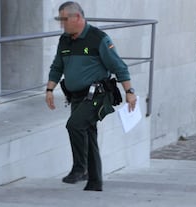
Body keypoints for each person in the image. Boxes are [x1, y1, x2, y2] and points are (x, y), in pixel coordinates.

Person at [45, 1, 137, 191]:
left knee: (74, 125)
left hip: (98, 95)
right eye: (60, 20)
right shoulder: (65, 40)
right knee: (88, 133)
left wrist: (129, 92)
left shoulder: (98, 38)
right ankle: (94, 182)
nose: (62, 24)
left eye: (64, 19)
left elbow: (119, 66)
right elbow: (57, 66)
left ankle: (80, 167)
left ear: (77, 17)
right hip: (77, 96)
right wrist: (49, 89)